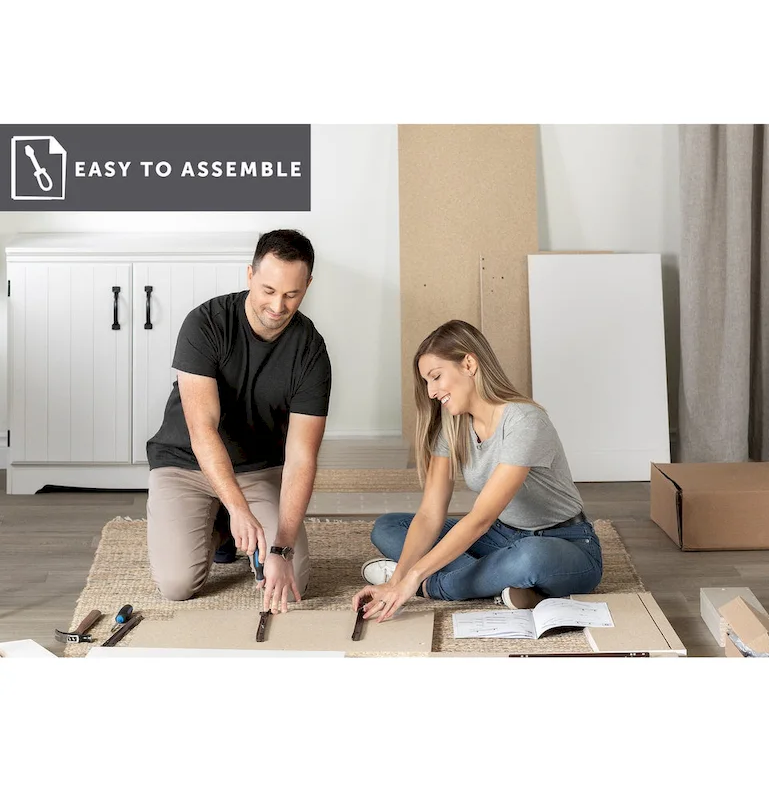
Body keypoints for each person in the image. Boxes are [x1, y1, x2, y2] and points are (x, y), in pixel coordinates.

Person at [353, 319, 602, 623]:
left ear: (469, 363)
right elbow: (431, 514)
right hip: (502, 536)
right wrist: (396, 581)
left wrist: (411, 579)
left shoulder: (524, 422)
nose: (431, 392)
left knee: (529, 558)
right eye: (426, 382)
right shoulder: (452, 426)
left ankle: (439, 586)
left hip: (565, 543)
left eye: (435, 377)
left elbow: (480, 519)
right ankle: (503, 583)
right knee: (389, 528)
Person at [146, 229, 331, 615]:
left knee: (293, 576)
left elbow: (301, 458)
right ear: (249, 275)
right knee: (178, 585)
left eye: (291, 294)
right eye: (268, 290)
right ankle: (222, 524)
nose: (278, 306)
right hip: (185, 463)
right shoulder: (205, 324)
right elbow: (202, 430)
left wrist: (280, 547)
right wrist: (239, 508)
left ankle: (231, 523)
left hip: (258, 469)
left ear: (308, 285)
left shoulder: (311, 350)